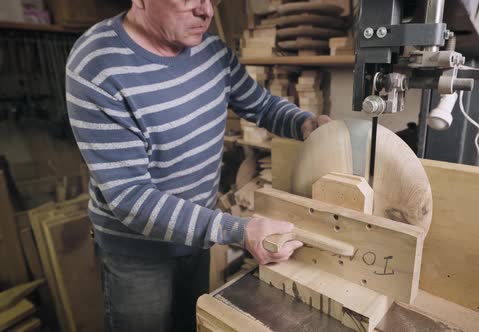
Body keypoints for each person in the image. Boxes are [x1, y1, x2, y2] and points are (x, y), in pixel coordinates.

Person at [65, 0, 330, 330]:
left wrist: (305, 125)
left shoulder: (212, 51)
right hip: (136, 254)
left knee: (191, 324)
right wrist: (235, 230)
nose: (206, 11)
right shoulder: (97, 65)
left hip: (195, 237)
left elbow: (260, 106)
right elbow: (130, 197)